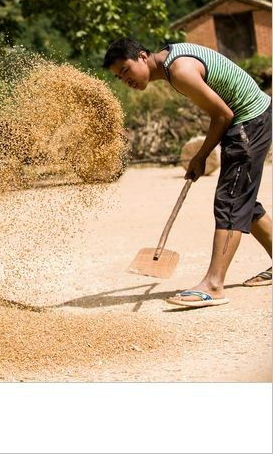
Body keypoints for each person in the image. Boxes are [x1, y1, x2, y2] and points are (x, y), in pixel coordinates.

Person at [104, 38, 272, 307]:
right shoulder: (173, 59)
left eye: (125, 70)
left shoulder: (179, 71)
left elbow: (222, 115)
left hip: (249, 119)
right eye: (118, 77)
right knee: (241, 197)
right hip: (252, 116)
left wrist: (200, 156)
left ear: (143, 57)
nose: (125, 80)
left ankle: (214, 285)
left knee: (231, 201)